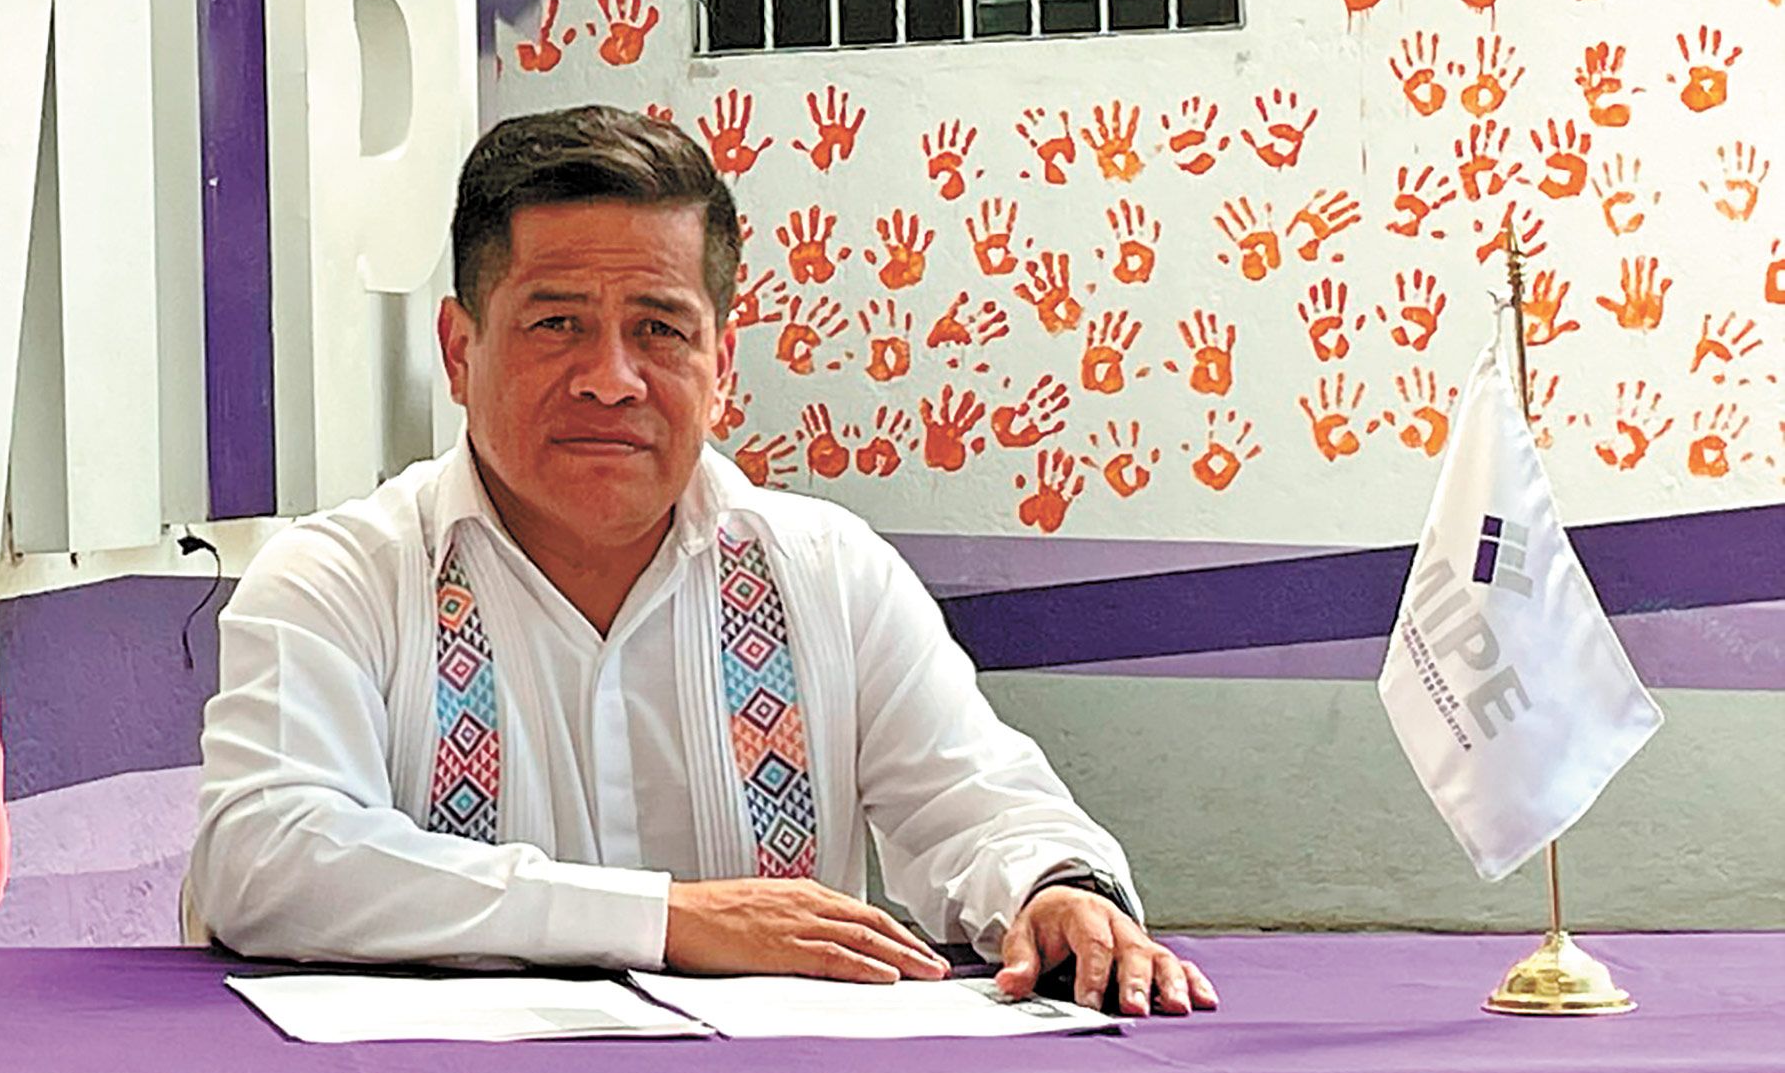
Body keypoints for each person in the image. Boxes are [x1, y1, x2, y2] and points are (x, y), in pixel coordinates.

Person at [191, 104, 1216, 1017]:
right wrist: (665, 919)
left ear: (720, 363)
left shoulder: (828, 571)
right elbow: (267, 858)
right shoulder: (340, 578)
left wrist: (1056, 886)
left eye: (659, 328)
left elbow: (979, 805)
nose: (610, 378)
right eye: (556, 324)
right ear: (460, 351)